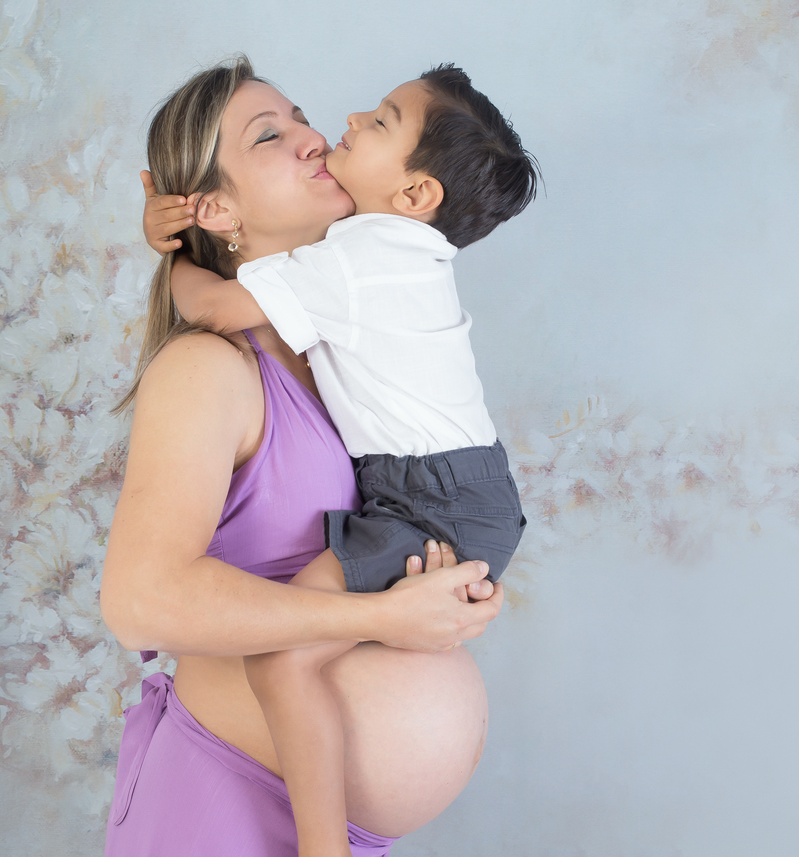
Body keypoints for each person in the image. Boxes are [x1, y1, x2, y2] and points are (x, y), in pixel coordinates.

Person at [99, 56, 504, 857]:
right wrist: (383, 619)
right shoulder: (209, 368)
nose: (315, 139)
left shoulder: (343, 353)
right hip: (222, 809)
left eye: (301, 117)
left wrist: (442, 589)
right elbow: (139, 601)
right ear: (217, 208)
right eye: (269, 136)